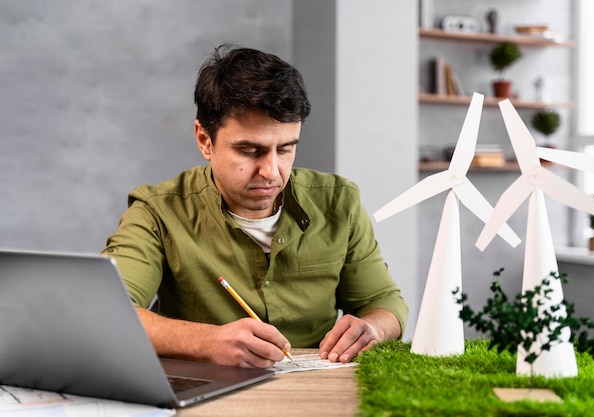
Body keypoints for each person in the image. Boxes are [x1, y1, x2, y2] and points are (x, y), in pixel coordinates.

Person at [102, 44, 408, 369]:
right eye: (250, 151)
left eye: (286, 149)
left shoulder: (338, 202)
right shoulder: (157, 211)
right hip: (207, 394)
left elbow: (383, 301)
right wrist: (207, 342)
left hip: (318, 392)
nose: (271, 172)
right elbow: (102, 310)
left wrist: (374, 326)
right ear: (205, 140)